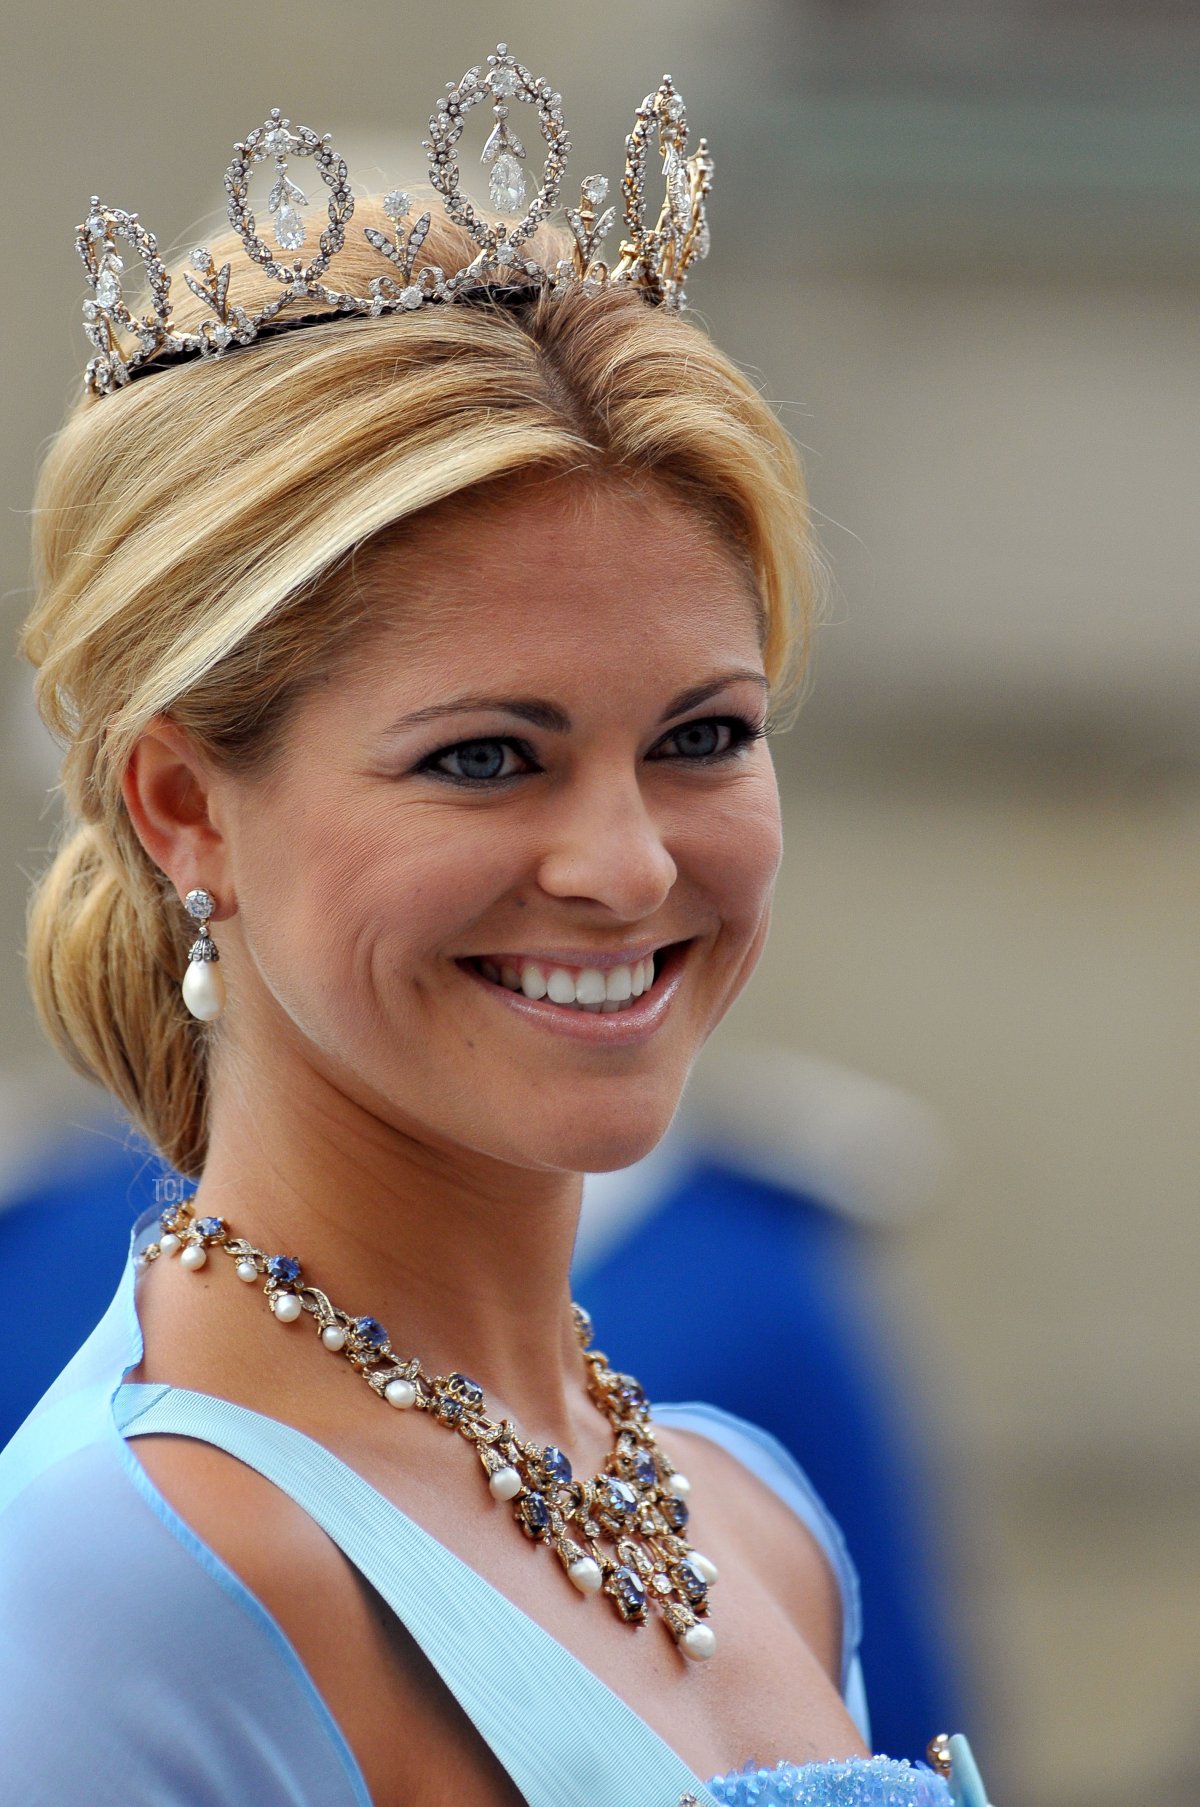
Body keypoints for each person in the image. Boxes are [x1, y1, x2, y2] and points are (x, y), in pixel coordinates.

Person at [0, 46, 990, 1807]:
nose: (622, 866)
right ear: (183, 807)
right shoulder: (121, 1591)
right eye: (483, 758)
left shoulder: (753, 1526)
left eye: (704, 737)